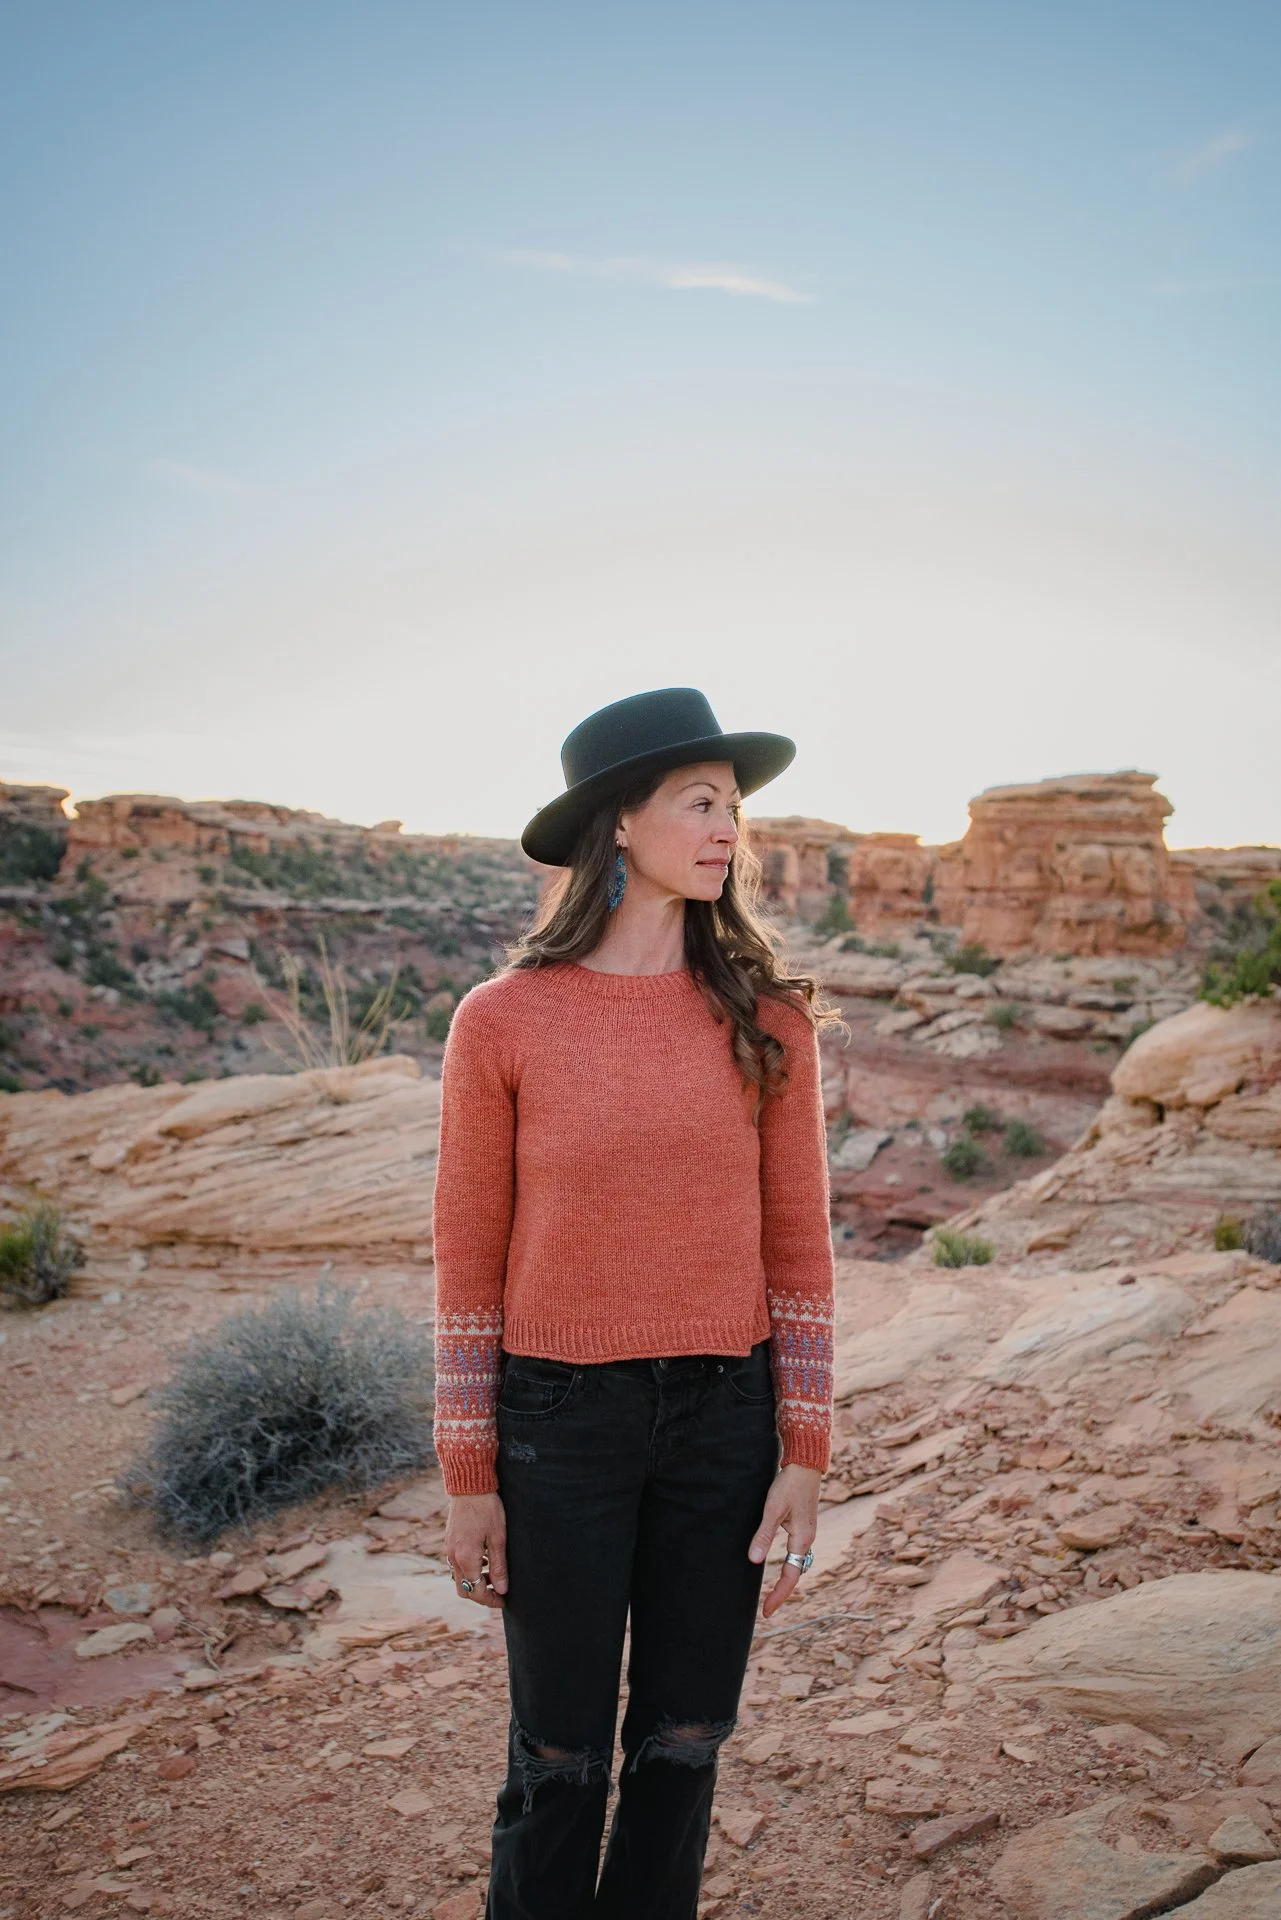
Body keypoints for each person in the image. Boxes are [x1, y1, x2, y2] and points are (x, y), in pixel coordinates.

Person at [430, 686, 841, 1920]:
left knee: (685, 1742)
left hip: (725, 1423)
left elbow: (798, 1250)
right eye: (699, 803)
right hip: (559, 1427)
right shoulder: (503, 1021)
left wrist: (804, 1450)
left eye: (733, 808)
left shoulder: (768, 1021)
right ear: (618, 822)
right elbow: (468, 1262)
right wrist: (469, 1475)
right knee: (558, 1757)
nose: (727, 830)